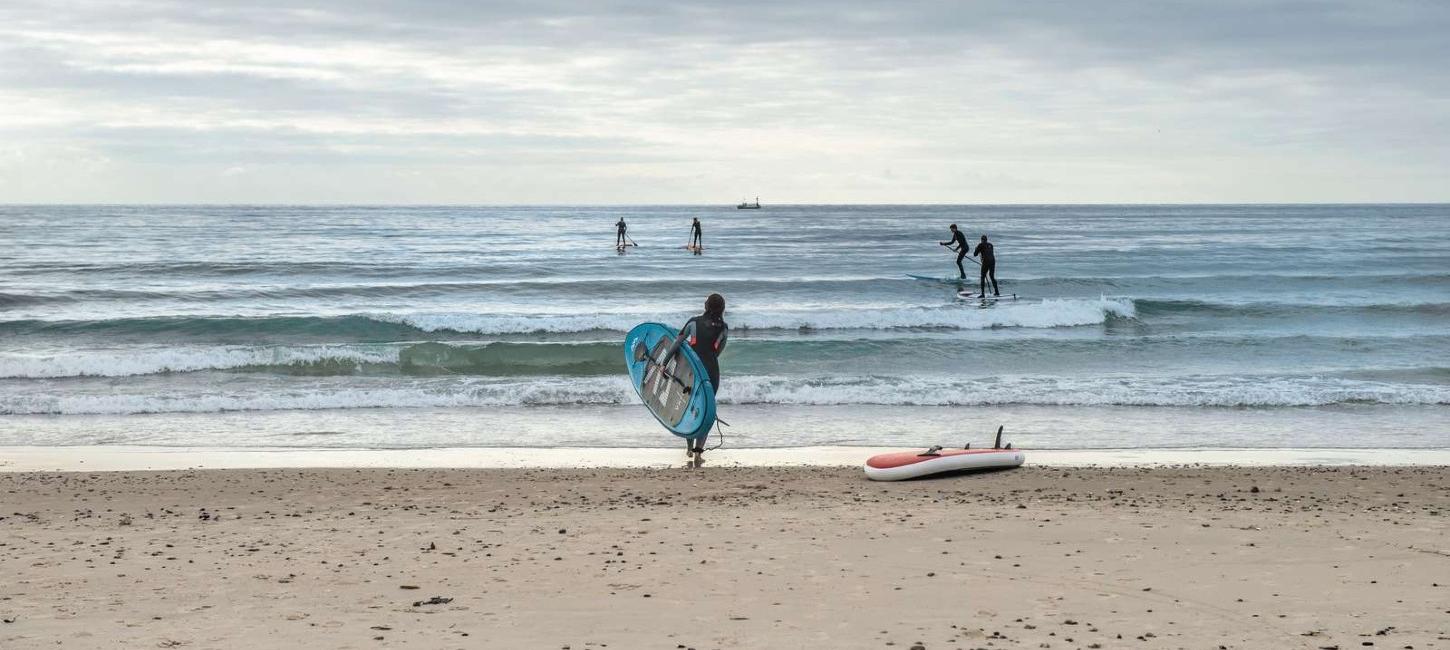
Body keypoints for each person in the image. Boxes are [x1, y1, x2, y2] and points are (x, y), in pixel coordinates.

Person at [664, 293, 729, 455]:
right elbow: (719, 350)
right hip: (712, 372)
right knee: (706, 408)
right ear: (722, 308)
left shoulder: (693, 322)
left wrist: (664, 363)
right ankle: (699, 450)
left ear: (705, 306)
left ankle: (689, 448)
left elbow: (677, 342)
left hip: (692, 371)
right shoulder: (723, 327)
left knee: (689, 405)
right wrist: (708, 360)